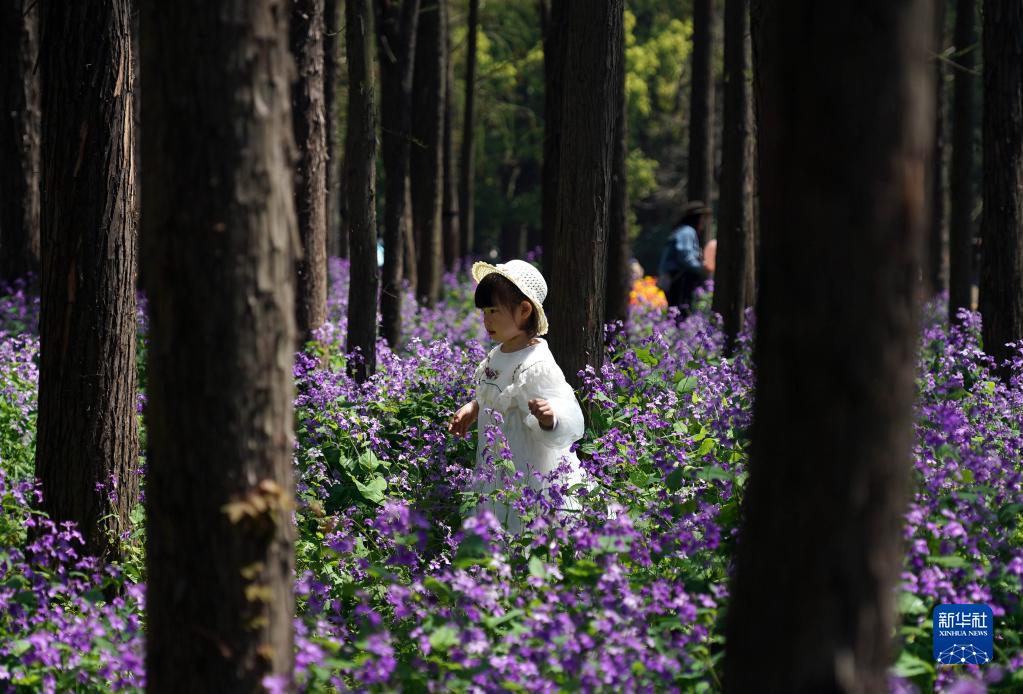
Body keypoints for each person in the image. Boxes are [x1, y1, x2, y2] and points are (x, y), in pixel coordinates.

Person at [448, 259, 586, 531]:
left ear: (524, 311)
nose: (486, 319)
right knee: (496, 510)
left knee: (525, 520)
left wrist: (550, 417)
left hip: (526, 463)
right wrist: (473, 408)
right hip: (495, 461)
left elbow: (566, 406)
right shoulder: (497, 354)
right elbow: (495, 395)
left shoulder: (536, 363)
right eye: (484, 311)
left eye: (493, 311)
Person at [657, 200, 715, 315]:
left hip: (676, 278)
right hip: (680, 279)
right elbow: (685, 256)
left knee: (677, 312)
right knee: (682, 312)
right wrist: (702, 268)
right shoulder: (687, 232)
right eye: (702, 219)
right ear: (696, 218)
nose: (703, 223)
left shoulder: (682, 231)